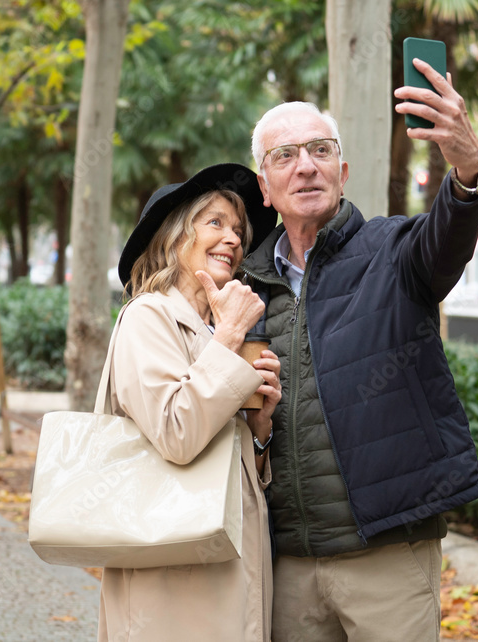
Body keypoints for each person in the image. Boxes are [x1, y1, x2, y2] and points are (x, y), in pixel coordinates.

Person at [238, 59, 478, 641]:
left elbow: (448, 235)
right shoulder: (244, 290)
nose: (306, 165)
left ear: (342, 172)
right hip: (286, 561)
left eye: (321, 150)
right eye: (285, 155)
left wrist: (467, 168)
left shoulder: (394, 250)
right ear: (264, 188)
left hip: (387, 553)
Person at [99, 163, 282, 642]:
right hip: (172, 578)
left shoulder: (213, 331)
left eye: (238, 230)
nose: (233, 239)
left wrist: (260, 430)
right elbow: (177, 434)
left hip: (229, 563)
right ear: (175, 236)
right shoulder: (148, 317)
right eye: (215, 222)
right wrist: (229, 336)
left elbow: (226, 457)